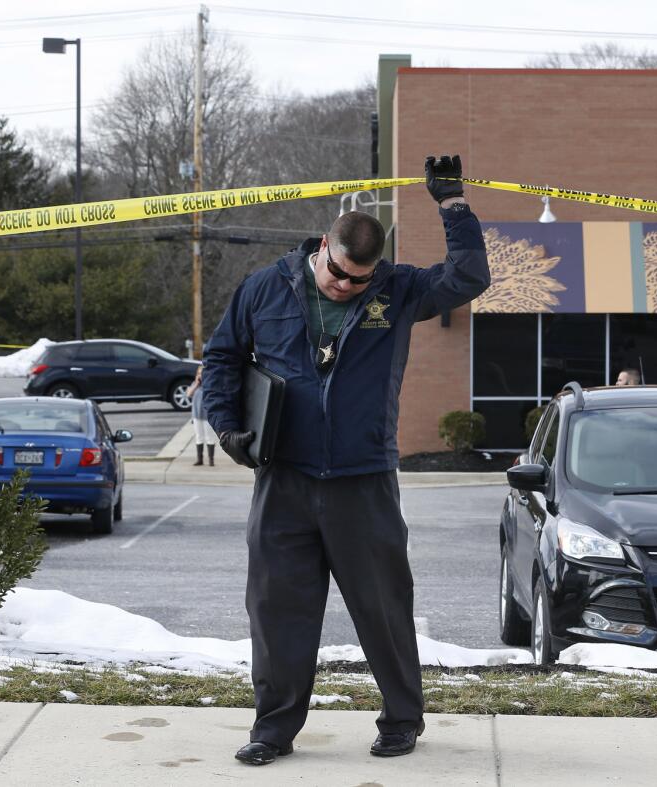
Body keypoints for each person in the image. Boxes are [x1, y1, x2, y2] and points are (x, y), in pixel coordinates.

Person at [201, 155, 489, 766]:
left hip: (364, 481)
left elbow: (468, 278)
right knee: (278, 609)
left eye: (359, 279)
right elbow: (222, 358)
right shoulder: (265, 287)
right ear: (324, 247)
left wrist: (454, 208)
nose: (345, 286)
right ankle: (273, 729)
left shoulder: (400, 289)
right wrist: (227, 426)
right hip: (284, 477)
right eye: (338, 274)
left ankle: (401, 720)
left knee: (384, 607)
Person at [185, 364, 215, 466]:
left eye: (202, 374)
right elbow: (188, 394)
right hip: (197, 415)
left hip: (207, 416)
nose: (200, 376)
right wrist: (196, 384)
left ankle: (211, 459)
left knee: (209, 437)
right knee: (199, 436)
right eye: (198, 373)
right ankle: (200, 459)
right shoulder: (195, 384)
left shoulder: (210, 385)